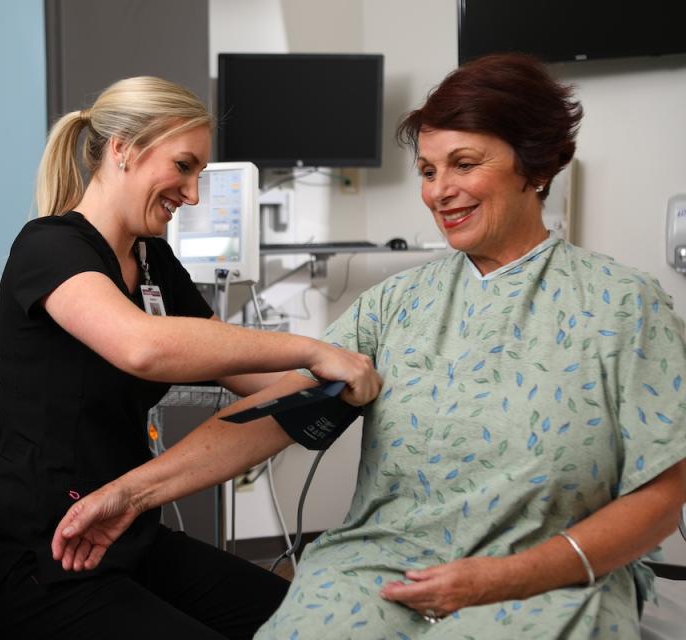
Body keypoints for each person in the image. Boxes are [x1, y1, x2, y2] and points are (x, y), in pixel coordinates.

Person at [51, 55, 686, 639]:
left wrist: (514, 577)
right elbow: (274, 415)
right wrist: (131, 494)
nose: (440, 192)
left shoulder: (624, 306)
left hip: (547, 577)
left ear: (538, 167)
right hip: (382, 566)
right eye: (429, 171)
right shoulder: (395, 304)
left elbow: (663, 493)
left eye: (465, 165)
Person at [0, 76, 380, 640]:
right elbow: (144, 347)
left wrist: (346, 382)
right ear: (123, 149)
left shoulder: (152, 258)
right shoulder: (49, 247)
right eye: (184, 166)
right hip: (38, 560)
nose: (193, 194)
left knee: (310, 624)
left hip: (128, 536)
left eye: (199, 173)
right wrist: (314, 349)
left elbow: (249, 373)